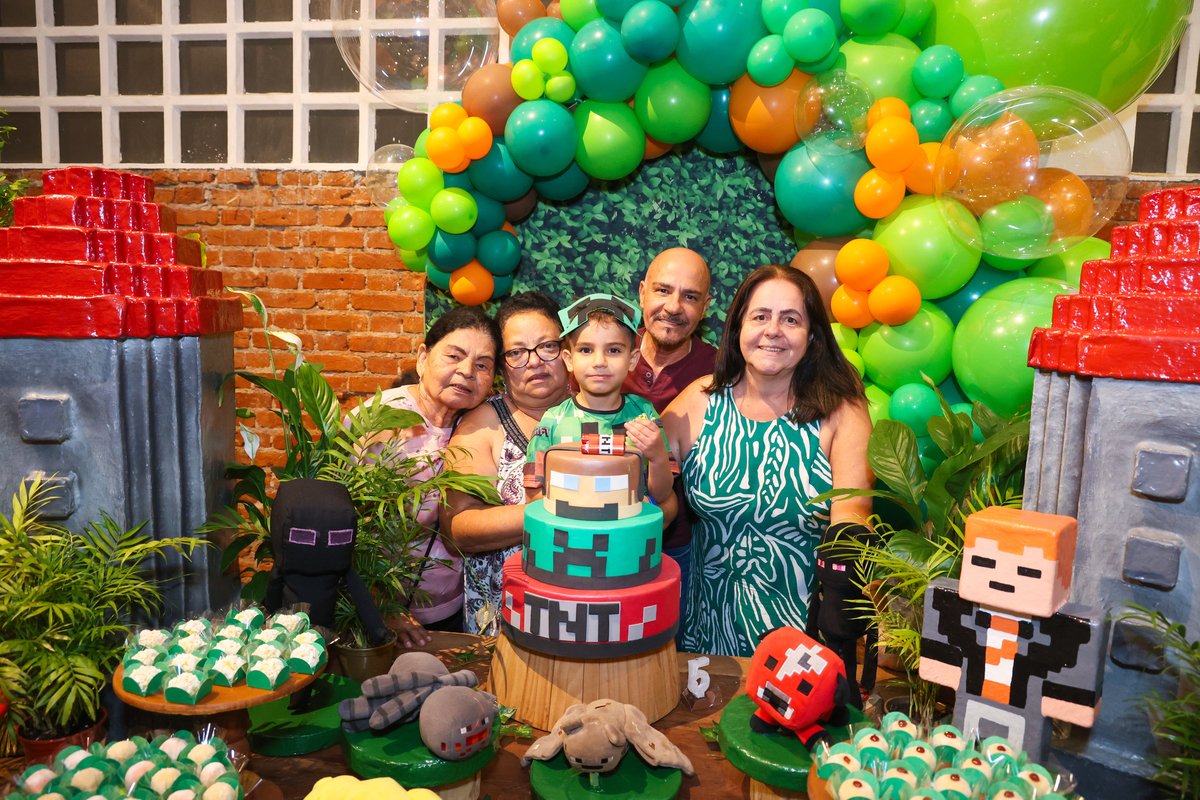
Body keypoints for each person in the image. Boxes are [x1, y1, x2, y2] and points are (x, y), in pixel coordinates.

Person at [662, 264, 873, 658]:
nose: (773, 330)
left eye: (790, 319)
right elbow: (643, 479)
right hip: (706, 641)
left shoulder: (842, 413)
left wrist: (842, 629)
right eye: (760, 316)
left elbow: (853, 520)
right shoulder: (699, 401)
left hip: (804, 646)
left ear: (812, 336)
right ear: (738, 327)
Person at [354, 306, 502, 648]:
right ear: (423, 358)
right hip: (378, 615)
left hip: (455, 610)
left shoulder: (481, 424)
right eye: (454, 356)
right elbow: (351, 527)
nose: (467, 371)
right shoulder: (381, 419)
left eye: (482, 365)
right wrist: (382, 607)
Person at [440, 292, 573, 635]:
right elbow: (458, 528)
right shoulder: (483, 424)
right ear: (501, 367)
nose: (534, 362)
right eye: (516, 352)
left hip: (589, 608)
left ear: (568, 352)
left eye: (547, 346)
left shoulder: (601, 413)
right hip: (507, 619)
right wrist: (558, 511)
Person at [621, 247, 717, 645]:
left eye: (690, 296)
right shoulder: (607, 353)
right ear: (642, 292)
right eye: (663, 290)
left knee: (666, 652)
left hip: (680, 548)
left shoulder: (722, 371)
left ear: (705, 307)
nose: (674, 306)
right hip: (600, 544)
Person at [524, 294, 675, 512]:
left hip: (629, 531)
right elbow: (533, 495)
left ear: (632, 360)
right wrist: (590, 508)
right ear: (569, 360)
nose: (599, 362)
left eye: (613, 350)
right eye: (586, 350)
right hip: (571, 531)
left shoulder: (644, 415)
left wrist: (658, 456)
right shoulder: (552, 423)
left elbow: (661, 494)